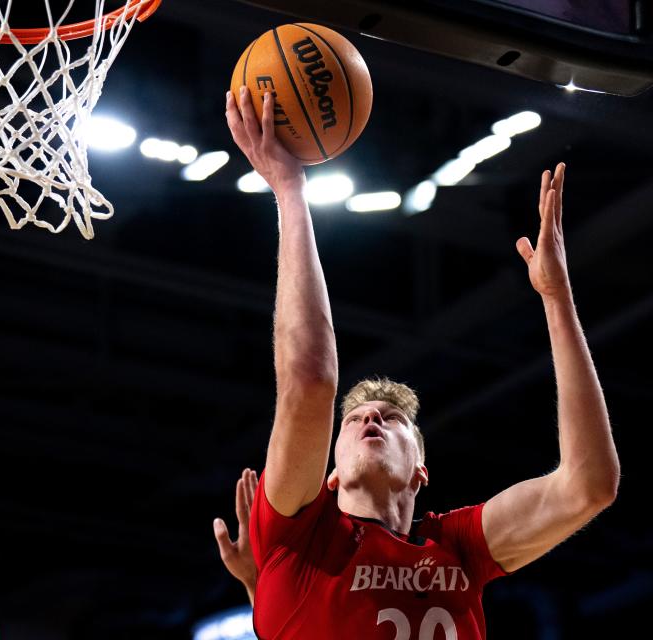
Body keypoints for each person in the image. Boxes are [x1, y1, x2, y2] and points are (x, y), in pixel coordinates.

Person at [213, 85, 620, 639]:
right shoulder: (298, 537)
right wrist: (289, 190)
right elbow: (309, 382)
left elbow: (588, 485)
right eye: (355, 420)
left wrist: (556, 297)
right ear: (326, 478)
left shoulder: (456, 548)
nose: (370, 420)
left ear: (421, 472)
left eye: (392, 418)